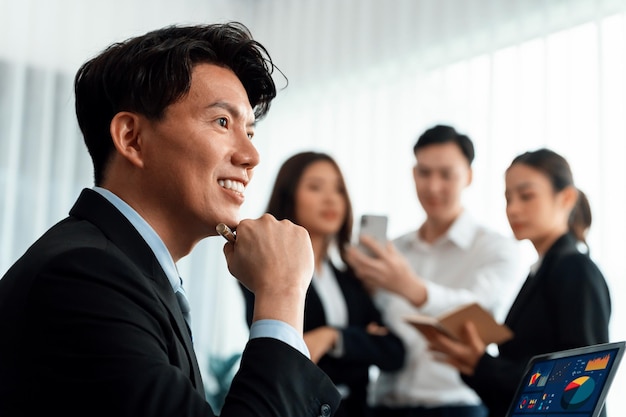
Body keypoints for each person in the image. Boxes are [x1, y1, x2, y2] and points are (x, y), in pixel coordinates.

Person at [0, 22, 341, 417]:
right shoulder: (83, 275)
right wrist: (282, 293)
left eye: (250, 131)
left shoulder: (119, 268)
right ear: (131, 138)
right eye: (222, 123)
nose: (251, 156)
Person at [345, 125, 522, 417]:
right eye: (424, 173)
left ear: (469, 176)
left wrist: (410, 287)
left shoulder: (497, 249)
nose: (433, 186)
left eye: (446, 174)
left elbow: (476, 311)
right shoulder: (394, 249)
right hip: (382, 405)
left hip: (456, 407)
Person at [420, 148, 611, 417]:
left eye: (526, 196)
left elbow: (581, 383)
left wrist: (483, 365)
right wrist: (472, 364)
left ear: (566, 198)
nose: (513, 209)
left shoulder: (574, 269)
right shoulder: (542, 271)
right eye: (508, 198)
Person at [240, 151, 406, 417]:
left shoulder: (351, 279)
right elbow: (281, 350)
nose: (331, 199)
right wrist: (361, 340)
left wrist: (332, 337)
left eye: (338, 190)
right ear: (289, 195)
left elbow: (394, 351)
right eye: (315, 187)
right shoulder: (265, 270)